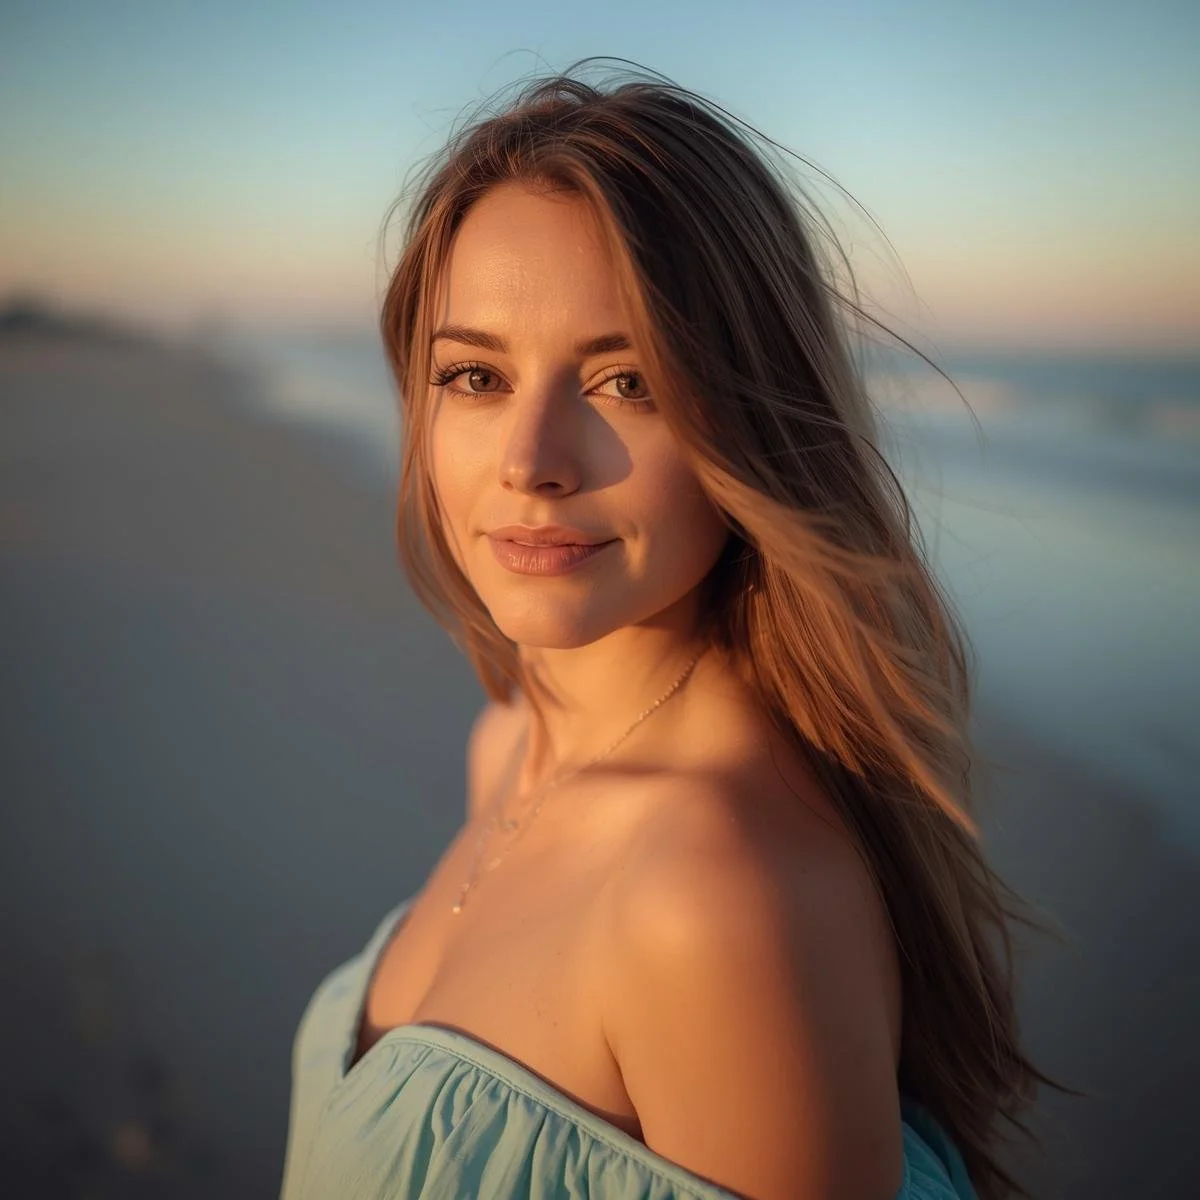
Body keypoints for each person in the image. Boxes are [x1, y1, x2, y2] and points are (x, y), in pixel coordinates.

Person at [280, 58, 1070, 1200]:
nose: (531, 463)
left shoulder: (714, 889)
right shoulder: (508, 743)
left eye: (627, 383)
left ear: (747, 422)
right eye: (475, 376)